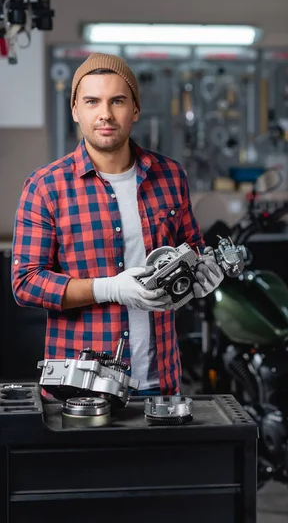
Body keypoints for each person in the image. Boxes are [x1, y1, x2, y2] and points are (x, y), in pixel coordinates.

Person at [11, 52, 224, 396]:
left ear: (135, 110)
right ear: (76, 111)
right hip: (81, 390)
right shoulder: (46, 186)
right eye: (92, 101)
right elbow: (26, 283)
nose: (105, 114)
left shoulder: (170, 176)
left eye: (118, 101)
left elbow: (192, 249)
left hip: (161, 383)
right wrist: (108, 289)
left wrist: (201, 275)